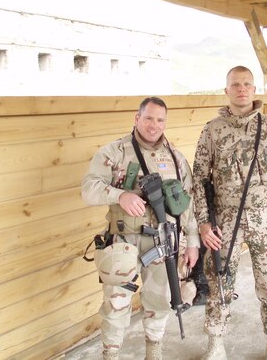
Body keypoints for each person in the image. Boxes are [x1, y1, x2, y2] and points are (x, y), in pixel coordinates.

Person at [192, 65, 267, 360]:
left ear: (254, 90)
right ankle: (215, 343)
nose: (241, 89)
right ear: (226, 90)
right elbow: (200, 180)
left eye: (247, 84)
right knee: (219, 279)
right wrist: (204, 223)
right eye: (235, 84)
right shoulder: (212, 130)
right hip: (225, 220)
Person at [81, 97, 200, 360]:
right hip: (124, 241)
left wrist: (193, 241)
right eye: (148, 118)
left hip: (163, 243)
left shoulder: (176, 158)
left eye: (160, 120)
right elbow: (88, 190)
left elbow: (188, 202)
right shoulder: (115, 152)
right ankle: (110, 355)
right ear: (137, 118)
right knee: (116, 305)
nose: (153, 125)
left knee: (161, 302)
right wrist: (119, 196)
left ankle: (153, 351)